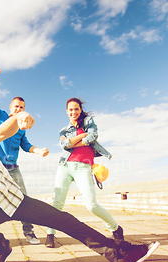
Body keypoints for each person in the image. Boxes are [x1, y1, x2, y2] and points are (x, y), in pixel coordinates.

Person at [0, 112, 159, 262]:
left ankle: (123, 253)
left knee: (66, 221)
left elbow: (0, 132)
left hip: (17, 200)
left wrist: (19, 117)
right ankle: (1, 246)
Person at [0, 67, 49, 245]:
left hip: (13, 169)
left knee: (23, 200)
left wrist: (39, 150)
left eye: (22, 107)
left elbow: (26, 146)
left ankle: (29, 232)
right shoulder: (0, 116)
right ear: (11, 108)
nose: (19, 109)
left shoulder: (21, 128)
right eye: (16, 106)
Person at [45, 98, 123, 248]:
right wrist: (82, 136)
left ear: (80, 110)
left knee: (91, 205)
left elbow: (92, 137)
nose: (73, 112)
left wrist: (73, 141)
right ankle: (50, 234)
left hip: (83, 167)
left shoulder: (88, 122)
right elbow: (64, 145)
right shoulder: (64, 130)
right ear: (66, 111)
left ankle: (116, 229)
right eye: (70, 110)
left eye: (76, 109)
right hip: (65, 166)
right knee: (57, 203)